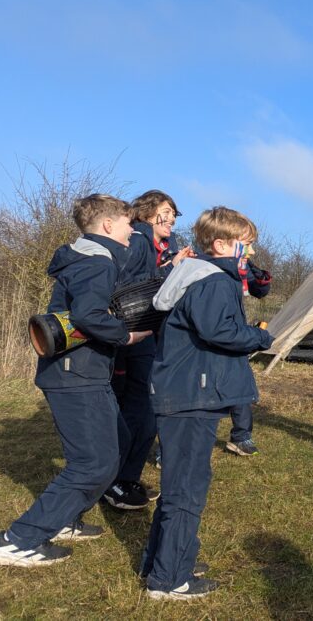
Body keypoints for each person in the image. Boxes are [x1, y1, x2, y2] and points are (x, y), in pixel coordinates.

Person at [0, 195, 151, 567]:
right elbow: (88, 314)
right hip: (75, 374)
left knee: (119, 442)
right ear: (108, 225)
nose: (133, 229)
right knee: (94, 463)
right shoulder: (96, 261)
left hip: (82, 371)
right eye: (128, 222)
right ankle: (19, 539)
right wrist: (126, 336)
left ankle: (64, 519)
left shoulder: (88, 256)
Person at [140, 206, 274, 600]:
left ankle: (163, 561)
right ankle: (170, 580)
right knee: (187, 489)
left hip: (185, 392)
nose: (247, 254)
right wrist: (259, 337)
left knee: (179, 485)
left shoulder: (196, 273)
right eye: (244, 246)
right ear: (220, 245)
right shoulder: (214, 280)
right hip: (190, 396)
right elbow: (220, 332)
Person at [105, 190, 193, 510]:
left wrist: (175, 264)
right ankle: (117, 481)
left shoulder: (159, 246)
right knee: (139, 409)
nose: (171, 218)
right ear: (146, 213)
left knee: (140, 407)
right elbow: (134, 288)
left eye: (174, 213)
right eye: (165, 211)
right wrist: (173, 268)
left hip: (145, 334)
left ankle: (121, 477)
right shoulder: (140, 241)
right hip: (134, 335)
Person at [225, 256, 272, 457]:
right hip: (210, 332)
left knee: (241, 382)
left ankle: (241, 436)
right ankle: (171, 450)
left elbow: (259, 290)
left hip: (235, 327)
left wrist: (254, 270)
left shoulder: (242, 263)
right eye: (246, 244)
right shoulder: (204, 263)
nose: (251, 250)